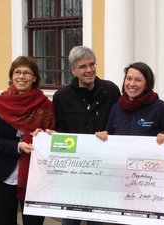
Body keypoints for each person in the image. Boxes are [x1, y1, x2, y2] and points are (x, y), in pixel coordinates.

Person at [95, 62, 164, 225]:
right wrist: (103, 135)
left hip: (152, 183)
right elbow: (110, 135)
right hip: (122, 181)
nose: (132, 84)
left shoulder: (159, 107)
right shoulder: (117, 108)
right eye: (129, 79)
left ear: (147, 83)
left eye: (138, 80)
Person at [52, 46, 121, 225]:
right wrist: (51, 137)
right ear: (73, 70)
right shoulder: (61, 97)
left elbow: (118, 123)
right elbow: (60, 131)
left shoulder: (111, 90)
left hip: (105, 170)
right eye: (83, 66)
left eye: (92, 64)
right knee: (70, 220)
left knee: (100, 220)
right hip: (75, 172)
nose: (89, 70)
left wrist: (109, 134)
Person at [0, 56, 55, 225]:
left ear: (34, 77)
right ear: (11, 76)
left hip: (36, 176)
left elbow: (51, 139)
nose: (21, 77)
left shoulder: (45, 106)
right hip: (4, 175)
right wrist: (17, 146)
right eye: (17, 72)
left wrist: (46, 135)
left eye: (26, 73)